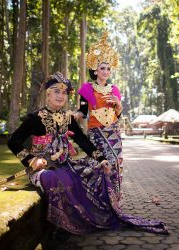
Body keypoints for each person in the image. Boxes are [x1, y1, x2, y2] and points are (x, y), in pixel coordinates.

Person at [8, 72, 168, 235]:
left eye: (64, 93)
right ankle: (64, 224)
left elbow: (83, 141)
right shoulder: (35, 118)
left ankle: (86, 216)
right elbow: (12, 141)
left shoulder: (67, 119)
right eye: (56, 91)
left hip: (65, 165)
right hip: (42, 170)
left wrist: (101, 159)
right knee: (54, 178)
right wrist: (31, 160)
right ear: (48, 94)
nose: (61, 96)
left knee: (97, 168)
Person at [74, 32, 123, 198]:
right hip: (96, 133)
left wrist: (118, 103)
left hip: (114, 133)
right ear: (95, 70)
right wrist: (73, 115)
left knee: (116, 163)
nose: (106, 71)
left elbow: (119, 114)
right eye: (102, 68)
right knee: (100, 164)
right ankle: (98, 200)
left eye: (108, 68)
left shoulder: (115, 89)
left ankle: (115, 199)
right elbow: (83, 112)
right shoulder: (87, 89)